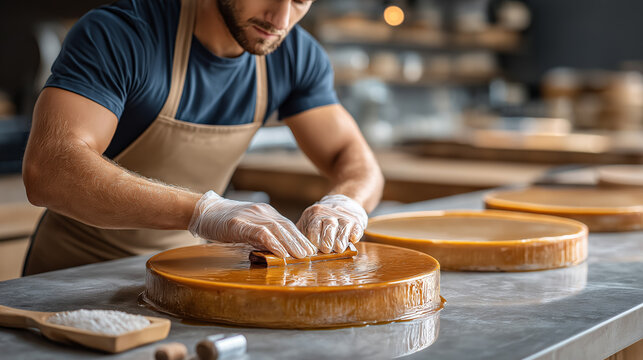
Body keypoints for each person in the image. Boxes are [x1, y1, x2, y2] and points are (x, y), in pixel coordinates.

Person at [21, 0, 384, 275]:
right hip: (73, 278)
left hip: (183, 273)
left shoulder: (294, 55)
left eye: (301, 0)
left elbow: (353, 159)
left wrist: (346, 203)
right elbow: (50, 170)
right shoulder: (121, 35)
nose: (281, 19)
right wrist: (206, 211)